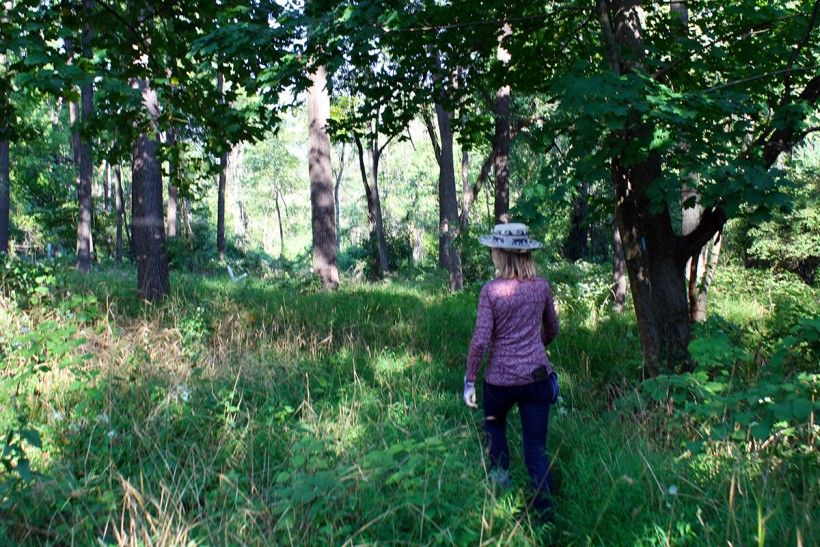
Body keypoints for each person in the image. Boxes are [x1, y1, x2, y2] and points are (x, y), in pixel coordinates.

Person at [462, 222, 560, 523]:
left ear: (501, 254)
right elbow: (552, 329)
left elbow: (480, 340)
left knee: (495, 430)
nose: (491, 252)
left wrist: (469, 380)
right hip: (536, 378)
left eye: (493, 248)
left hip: (499, 382)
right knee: (536, 449)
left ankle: (502, 497)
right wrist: (533, 347)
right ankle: (546, 519)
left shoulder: (491, 291)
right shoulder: (541, 286)